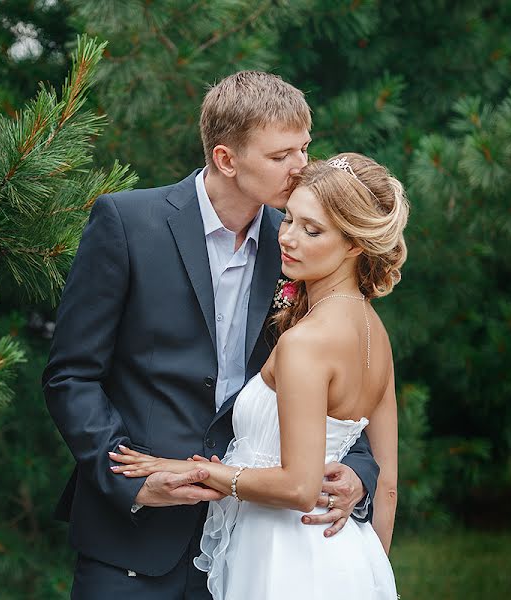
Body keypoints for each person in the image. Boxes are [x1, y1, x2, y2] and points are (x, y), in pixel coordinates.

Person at [42, 72, 380, 599]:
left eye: (304, 148)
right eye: (280, 155)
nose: (302, 168)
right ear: (226, 159)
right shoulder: (127, 224)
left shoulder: (299, 246)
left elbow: (346, 373)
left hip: (252, 540)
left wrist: (359, 473)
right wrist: (132, 480)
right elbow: (71, 375)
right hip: (131, 539)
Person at [109, 152, 408, 599]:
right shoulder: (375, 333)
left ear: (354, 245)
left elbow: (300, 487)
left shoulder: (305, 344)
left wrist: (195, 472)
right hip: (347, 555)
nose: (287, 238)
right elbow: (385, 489)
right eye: (288, 219)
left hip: (283, 562)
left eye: (312, 230)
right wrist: (365, 573)